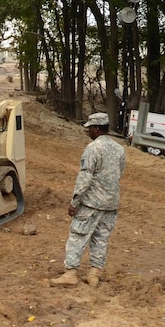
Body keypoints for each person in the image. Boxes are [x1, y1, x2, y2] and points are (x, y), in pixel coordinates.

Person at [50, 113, 127, 287]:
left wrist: (75, 201)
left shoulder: (93, 148)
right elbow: (119, 173)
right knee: (101, 238)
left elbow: (85, 178)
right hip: (111, 203)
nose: (88, 132)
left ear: (97, 129)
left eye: (90, 128)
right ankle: (94, 274)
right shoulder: (119, 149)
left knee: (78, 235)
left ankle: (70, 273)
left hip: (91, 203)